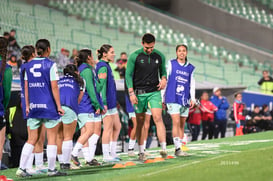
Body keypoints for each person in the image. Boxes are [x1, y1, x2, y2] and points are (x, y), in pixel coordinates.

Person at [16, 39, 66, 177]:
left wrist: (27, 104)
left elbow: (25, 87)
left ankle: (21, 169)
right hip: (49, 107)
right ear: (48, 49)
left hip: (33, 106)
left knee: (31, 139)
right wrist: (59, 106)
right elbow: (54, 87)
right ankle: (51, 170)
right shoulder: (50, 65)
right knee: (51, 138)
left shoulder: (27, 65)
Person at [126, 33, 167, 160]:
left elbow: (163, 71)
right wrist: (131, 93)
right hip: (139, 93)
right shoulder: (134, 56)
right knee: (140, 122)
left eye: (152, 47)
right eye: (147, 48)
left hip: (154, 92)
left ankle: (164, 149)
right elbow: (128, 75)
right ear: (142, 43)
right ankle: (141, 151)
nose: (149, 50)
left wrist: (164, 79)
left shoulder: (160, 55)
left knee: (157, 117)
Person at [71, 49, 105, 166]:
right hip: (86, 104)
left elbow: (95, 88)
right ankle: (74, 153)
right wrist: (97, 105)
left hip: (82, 104)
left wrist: (101, 81)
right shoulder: (87, 71)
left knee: (86, 132)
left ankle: (89, 158)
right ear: (89, 58)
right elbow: (91, 90)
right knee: (91, 131)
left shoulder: (83, 69)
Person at [20, 45, 47, 174]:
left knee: (39, 137)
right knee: (33, 137)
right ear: (32, 54)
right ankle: (27, 167)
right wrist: (27, 104)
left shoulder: (25, 66)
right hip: (31, 104)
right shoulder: (27, 67)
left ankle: (39, 165)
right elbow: (27, 87)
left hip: (33, 103)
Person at [164, 44, 195, 156]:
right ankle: (177, 149)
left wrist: (193, 98)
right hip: (172, 97)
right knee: (176, 122)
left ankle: (181, 147)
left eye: (184, 51)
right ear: (176, 52)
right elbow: (165, 80)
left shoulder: (190, 68)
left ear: (186, 53)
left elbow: (192, 83)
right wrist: (163, 97)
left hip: (185, 99)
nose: (182, 52)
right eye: (179, 51)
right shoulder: (171, 64)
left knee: (182, 124)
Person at [96, 44, 121, 162]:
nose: (114, 54)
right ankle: (106, 155)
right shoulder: (102, 66)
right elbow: (101, 87)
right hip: (107, 103)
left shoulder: (107, 65)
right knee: (108, 128)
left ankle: (112, 152)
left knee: (117, 126)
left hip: (111, 102)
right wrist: (103, 103)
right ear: (105, 54)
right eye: (112, 52)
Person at [56, 64, 84, 169]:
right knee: (68, 137)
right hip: (69, 107)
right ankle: (67, 164)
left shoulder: (59, 80)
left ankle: (62, 162)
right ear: (76, 72)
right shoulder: (79, 81)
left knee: (59, 136)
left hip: (57, 108)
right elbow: (79, 99)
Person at [0, 37, 12, 170]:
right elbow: (7, 93)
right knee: (0, 139)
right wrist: (4, 105)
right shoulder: (6, 68)